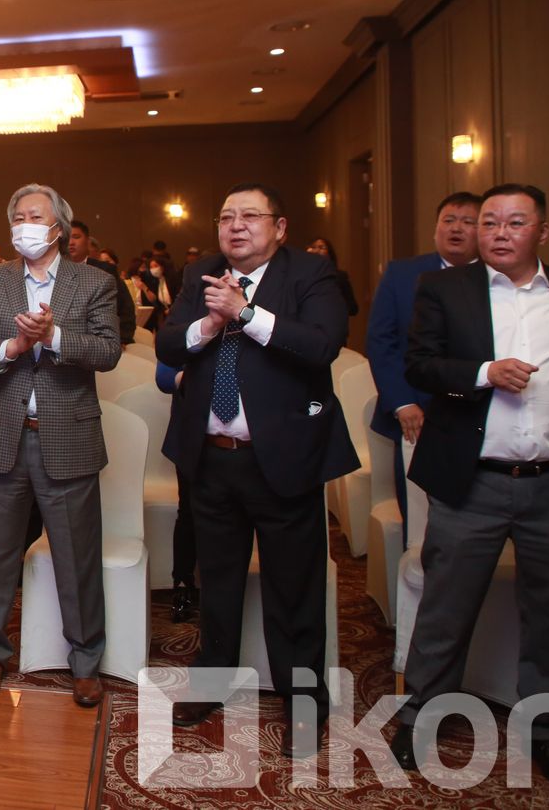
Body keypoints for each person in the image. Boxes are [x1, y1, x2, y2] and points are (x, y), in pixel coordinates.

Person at [391, 184, 549, 794]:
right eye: (490, 223)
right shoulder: (445, 288)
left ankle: (544, 722)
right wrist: (483, 373)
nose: (499, 233)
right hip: (472, 479)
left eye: (515, 223)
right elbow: (420, 364)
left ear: (541, 232)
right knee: (447, 603)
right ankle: (422, 712)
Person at [157, 183, 356, 759]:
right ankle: (213, 682)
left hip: (283, 458)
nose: (236, 226)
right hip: (212, 459)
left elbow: (322, 345)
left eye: (250, 216)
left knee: (294, 587)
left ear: (280, 227)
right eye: (226, 217)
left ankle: (304, 701)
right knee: (217, 579)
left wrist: (245, 313)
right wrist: (208, 325)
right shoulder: (200, 273)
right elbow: (168, 344)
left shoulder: (310, 274)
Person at [0, 184, 120, 710]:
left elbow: (108, 351)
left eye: (35, 216)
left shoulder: (94, 282)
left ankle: (85, 660)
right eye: (18, 216)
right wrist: (15, 345)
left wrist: (53, 338)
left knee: (76, 555)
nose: (25, 224)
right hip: (3, 436)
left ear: (58, 228)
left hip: (67, 435)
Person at [365, 191, 481, 532]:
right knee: (419, 526)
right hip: (415, 416)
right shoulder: (402, 274)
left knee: (476, 521)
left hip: (476, 415)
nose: (456, 228)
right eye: (448, 220)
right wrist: (402, 403)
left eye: (468, 222)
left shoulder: (496, 278)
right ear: (435, 229)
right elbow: (381, 341)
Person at [153, 361, 198, 623]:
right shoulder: (182, 333)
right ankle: (183, 584)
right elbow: (165, 377)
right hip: (190, 432)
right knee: (189, 511)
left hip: (244, 437)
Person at [68, 219, 136, 344]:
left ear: (87, 241)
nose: (70, 242)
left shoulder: (105, 270)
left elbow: (124, 307)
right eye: (66, 238)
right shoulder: (53, 270)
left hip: (102, 340)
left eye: (76, 237)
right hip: (65, 339)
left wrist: (121, 338)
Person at [305, 237, 359, 319]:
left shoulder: (339, 277)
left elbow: (353, 308)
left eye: (321, 247)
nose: (317, 250)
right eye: (313, 247)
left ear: (329, 254)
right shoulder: (304, 277)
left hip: (333, 320)